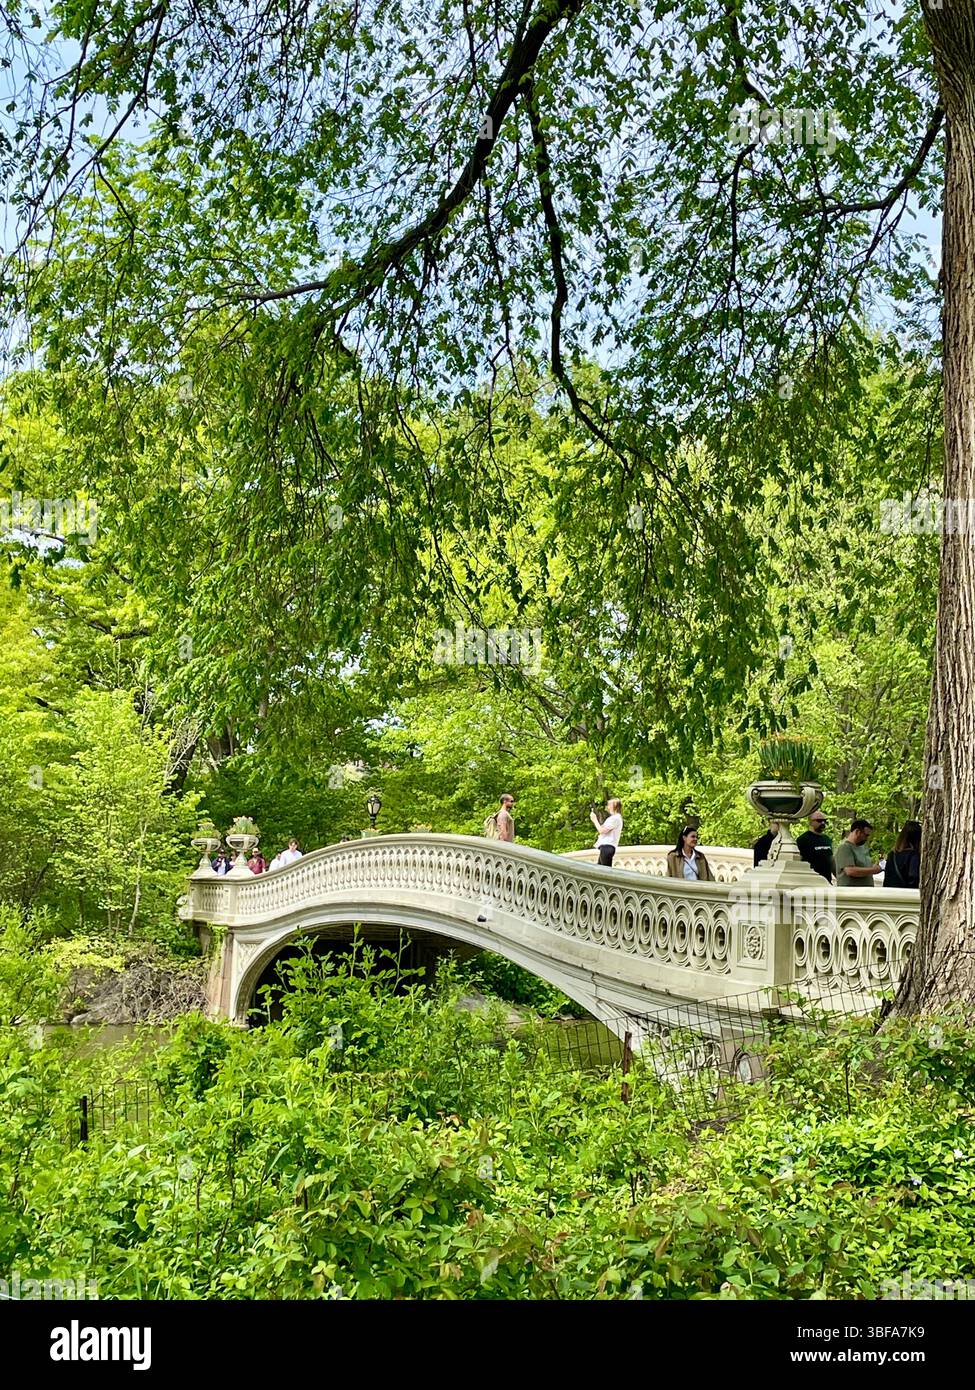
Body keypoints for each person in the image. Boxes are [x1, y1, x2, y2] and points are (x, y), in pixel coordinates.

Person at [835, 820, 882, 887]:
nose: (867, 838)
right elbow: (850, 870)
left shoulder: (863, 848)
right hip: (851, 893)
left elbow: (864, 867)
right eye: (866, 835)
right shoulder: (845, 848)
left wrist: (875, 865)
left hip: (865, 892)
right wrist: (874, 870)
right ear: (857, 832)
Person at [796, 811, 835, 882]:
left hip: (826, 881)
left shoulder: (827, 839)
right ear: (810, 822)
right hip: (811, 880)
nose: (823, 823)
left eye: (824, 821)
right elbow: (798, 861)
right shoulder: (803, 840)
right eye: (819, 820)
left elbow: (831, 860)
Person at [884, 820, 921, 889]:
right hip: (907, 895)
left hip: (890, 893)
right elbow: (914, 878)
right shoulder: (914, 856)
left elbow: (887, 878)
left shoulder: (892, 854)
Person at [590, 798, 623, 867]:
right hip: (606, 848)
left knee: (605, 871)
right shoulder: (614, 818)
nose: (607, 806)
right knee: (599, 870)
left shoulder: (615, 818)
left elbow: (602, 831)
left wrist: (594, 820)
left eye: (609, 804)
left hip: (607, 847)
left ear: (615, 805)